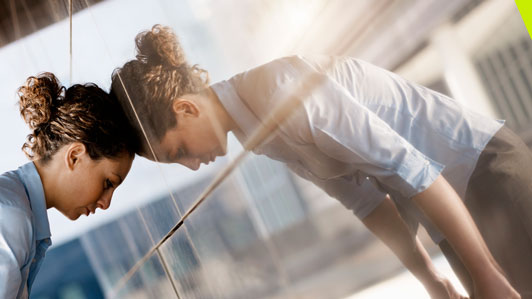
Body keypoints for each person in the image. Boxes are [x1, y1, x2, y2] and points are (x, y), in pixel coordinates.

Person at [111, 25, 530, 298]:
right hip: (453, 217)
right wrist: (432, 280)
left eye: (179, 151)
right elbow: (366, 202)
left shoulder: (276, 92)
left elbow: (410, 168)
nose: (192, 165)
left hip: (484, 174)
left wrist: (485, 273)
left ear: (186, 108)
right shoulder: (255, 131)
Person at [0, 73, 139, 298]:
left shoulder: (15, 205)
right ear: (75, 156)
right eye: (107, 183)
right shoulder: (11, 216)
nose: (106, 203)